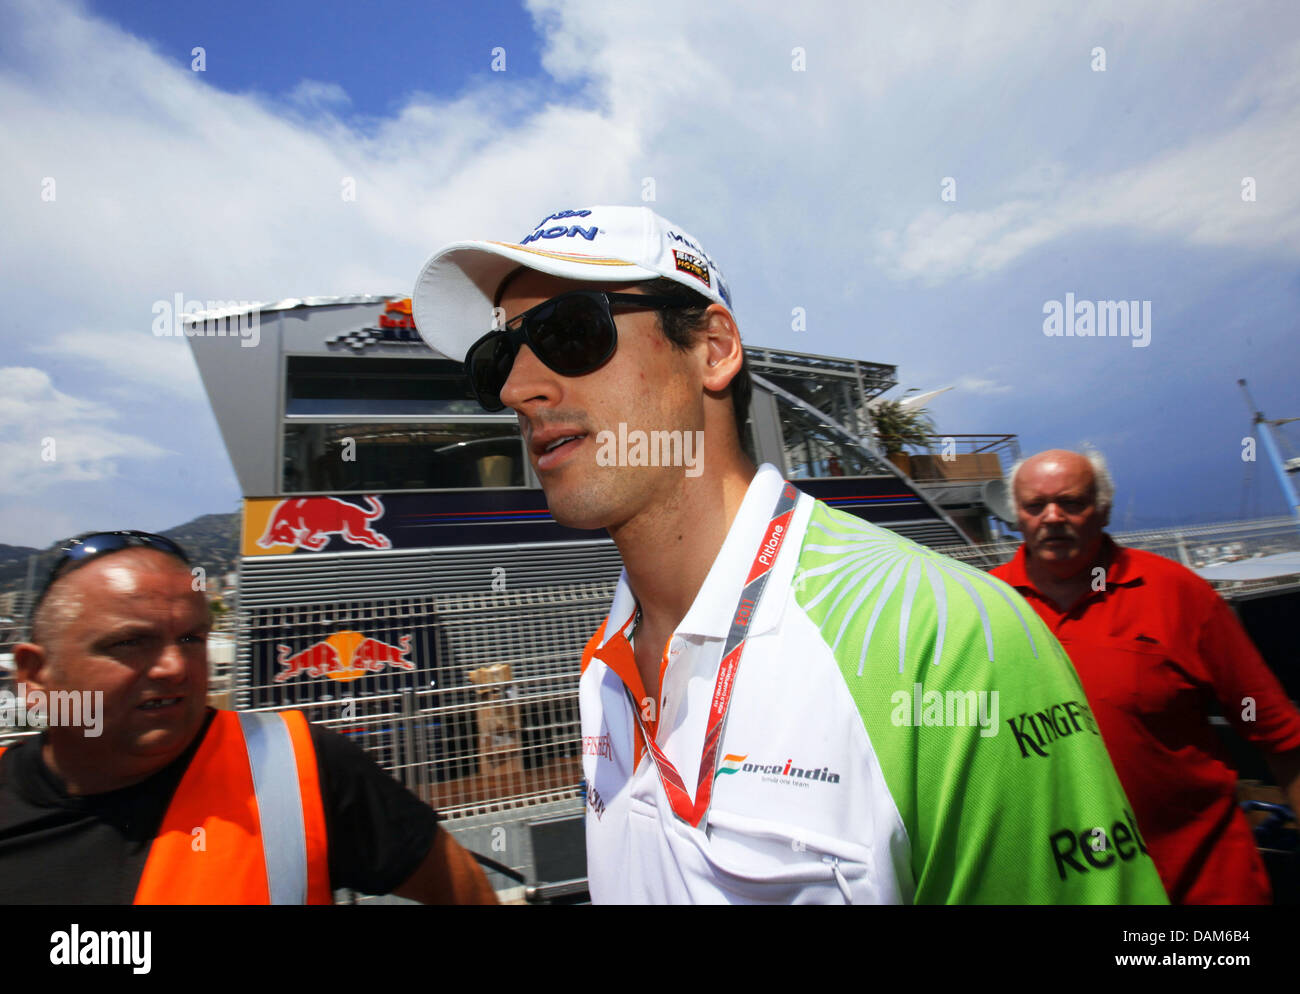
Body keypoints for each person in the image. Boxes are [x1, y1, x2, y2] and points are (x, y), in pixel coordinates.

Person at [411, 205, 1167, 904]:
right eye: (497, 356)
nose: (516, 387)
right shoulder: (604, 665)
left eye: (569, 334)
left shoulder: (946, 639)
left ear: (713, 349)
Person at [0, 531, 497, 905]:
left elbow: (464, 892)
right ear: (35, 673)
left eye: (192, 639)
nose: (175, 667)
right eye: (130, 642)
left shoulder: (297, 768)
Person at [991, 448, 1300, 904]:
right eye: (1035, 506)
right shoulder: (986, 606)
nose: (1052, 517)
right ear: (1016, 516)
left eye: (1072, 503)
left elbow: (1280, 738)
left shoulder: (1179, 595)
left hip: (1201, 886)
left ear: (1104, 509)